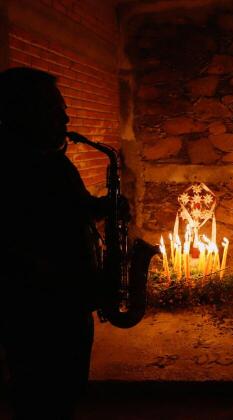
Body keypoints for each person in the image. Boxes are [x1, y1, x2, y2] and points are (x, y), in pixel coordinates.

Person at [0, 67, 118, 419]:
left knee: (65, 393)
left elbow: (73, 210)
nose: (66, 117)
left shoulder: (54, 162)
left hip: (68, 304)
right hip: (38, 311)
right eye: (55, 109)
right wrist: (57, 276)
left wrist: (104, 207)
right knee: (41, 397)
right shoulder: (10, 166)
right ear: (24, 112)